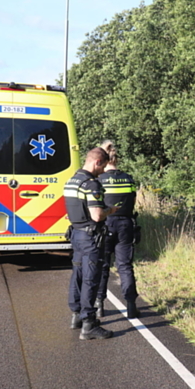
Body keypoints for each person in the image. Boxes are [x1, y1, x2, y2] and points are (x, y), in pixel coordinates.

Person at [64, 147, 120, 340]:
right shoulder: (91, 184)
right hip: (90, 238)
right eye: (102, 167)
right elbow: (96, 215)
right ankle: (89, 324)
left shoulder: (72, 181)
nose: (103, 171)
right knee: (91, 278)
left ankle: (76, 315)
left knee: (77, 274)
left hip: (76, 234)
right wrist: (110, 210)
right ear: (97, 162)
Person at [95, 140, 140, 319]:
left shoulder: (97, 180)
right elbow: (133, 201)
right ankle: (130, 305)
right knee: (125, 266)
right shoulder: (128, 178)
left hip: (105, 225)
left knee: (102, 266)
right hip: (125, 224)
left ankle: (99, 305)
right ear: (117, 159)